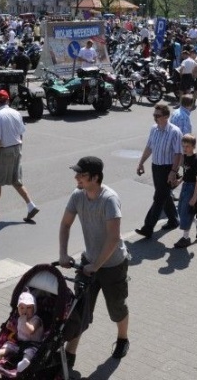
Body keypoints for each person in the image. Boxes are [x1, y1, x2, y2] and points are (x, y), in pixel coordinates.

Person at [59, 156, 130, 369]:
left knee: (116, 307)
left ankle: (122, 339)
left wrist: (96, 266)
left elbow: (113, 238)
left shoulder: (109, 199)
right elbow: (65, 224)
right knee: (79, 310)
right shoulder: (77, 195)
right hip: (88, 261)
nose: (76, 177)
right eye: (77, 173)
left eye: (81, 174)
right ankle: (70, 355)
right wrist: (63, 253)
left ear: (95, 178)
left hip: (113, 264)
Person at [0, 90, 39, 222]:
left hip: (3, 151)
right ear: (8, 100)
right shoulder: (16, 113)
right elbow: (21, 133)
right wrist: (19, 148)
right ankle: (31, 206)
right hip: (16, 148)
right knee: (16, 180)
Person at [134, 103, 183, 239]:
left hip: (168, 168)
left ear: (166, 116)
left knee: (159, 197)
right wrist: (141, 163)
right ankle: (173, 220)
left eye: (158, 115)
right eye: (154, 115)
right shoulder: (154, 129)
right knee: (165, 195)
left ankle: (147, 228)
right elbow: (149, 147)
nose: (155, 118)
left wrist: (173, 171)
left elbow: (178, 153)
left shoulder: (175, 131)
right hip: (156, 167)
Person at [0, 291, 44, 373]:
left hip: (33, 344)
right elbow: (20, 332)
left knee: (30, 351)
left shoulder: (36, 320)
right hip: (20, 343)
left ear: (34, 308)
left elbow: (30, 330)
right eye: (22, 308)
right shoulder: (20, 319)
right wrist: (12, 328)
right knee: (9, 345)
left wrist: (24, 321)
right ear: (18, 309)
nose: (25, 310)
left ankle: (25, 362)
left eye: (28, 307)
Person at [173, 134, 197, 249]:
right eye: (183, 146)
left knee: (186, 212)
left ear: (193, 146)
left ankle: (186, 238)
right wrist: (180, 181)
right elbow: (186, 173)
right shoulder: (186, 156)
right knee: (181, 209)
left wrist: (194, 197)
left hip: (193, 187)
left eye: (187, 146)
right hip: (186, 185)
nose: (185, 149)